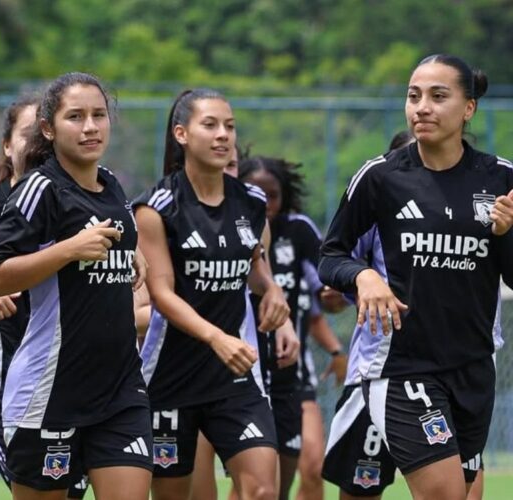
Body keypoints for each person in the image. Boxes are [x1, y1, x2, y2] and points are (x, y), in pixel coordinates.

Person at [319, 54, 513, 499]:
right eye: (414, 96)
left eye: (438, 96)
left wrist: (507, 235)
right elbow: (331, 255)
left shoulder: (501, 177)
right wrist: (363, 276)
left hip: (473, 368)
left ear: (468, 108)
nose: (422, 106)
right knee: (443, 493)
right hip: (401, 366)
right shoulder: (381, 177)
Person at [0, 72, 152, 500]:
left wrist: (130, 254)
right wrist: (68, 249)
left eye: (98, 115)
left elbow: (107, 240)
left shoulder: (111, 183)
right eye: (75, 117)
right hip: (50, 390)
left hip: (120, 389)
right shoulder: (40, 189)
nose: (90, 126)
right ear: (48, 128)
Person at [135, 88, 298, 500]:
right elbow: (162, 294)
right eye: (210, 125)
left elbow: (255, 269)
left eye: (229, 126)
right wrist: (215, 337)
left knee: (262, 489)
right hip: (170, 378)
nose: (223, 135)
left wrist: (273, 290)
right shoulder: (157, 208)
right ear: (182, 134)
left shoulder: (252, 202)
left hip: (236, 376)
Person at [239, 154, 345, 500]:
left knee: (311, 468)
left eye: (273, 195)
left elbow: (325, 298)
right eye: (256, 193)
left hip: (292, 373)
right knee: (252, 486)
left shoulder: (298, 230)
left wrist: (337, 299)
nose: (265, 203)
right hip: (237, 372)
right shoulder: (227, 226)